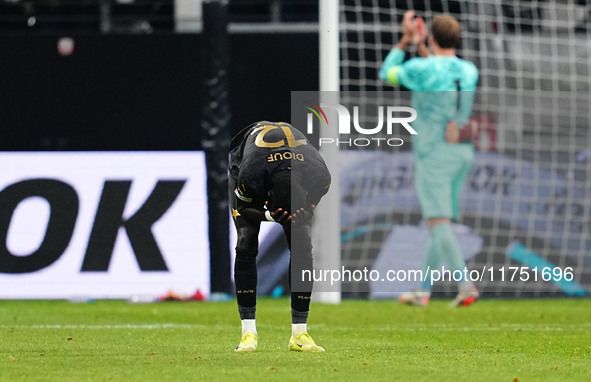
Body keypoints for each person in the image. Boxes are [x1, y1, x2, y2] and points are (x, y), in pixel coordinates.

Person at [379, 11, 480, 307]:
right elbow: (437, 70)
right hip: (461, 151)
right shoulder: (469, 70)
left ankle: (465, 285)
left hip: (434, 152)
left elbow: (388, 73)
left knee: (438, 222)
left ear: (433, 38)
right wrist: (425, 46)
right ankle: (422, 291)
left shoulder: (422, 68)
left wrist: (407, 39)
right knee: (439, 222)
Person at [228, 120, 331, 352]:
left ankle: (300, 334)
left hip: (291, 166)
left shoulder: (321, 177)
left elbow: (312, 203)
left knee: (303, 244)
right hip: (246, 153)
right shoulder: (249, 177)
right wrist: (271, 216)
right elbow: (244, 209)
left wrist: (305, 210)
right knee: (246, 241)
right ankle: (248, 333)